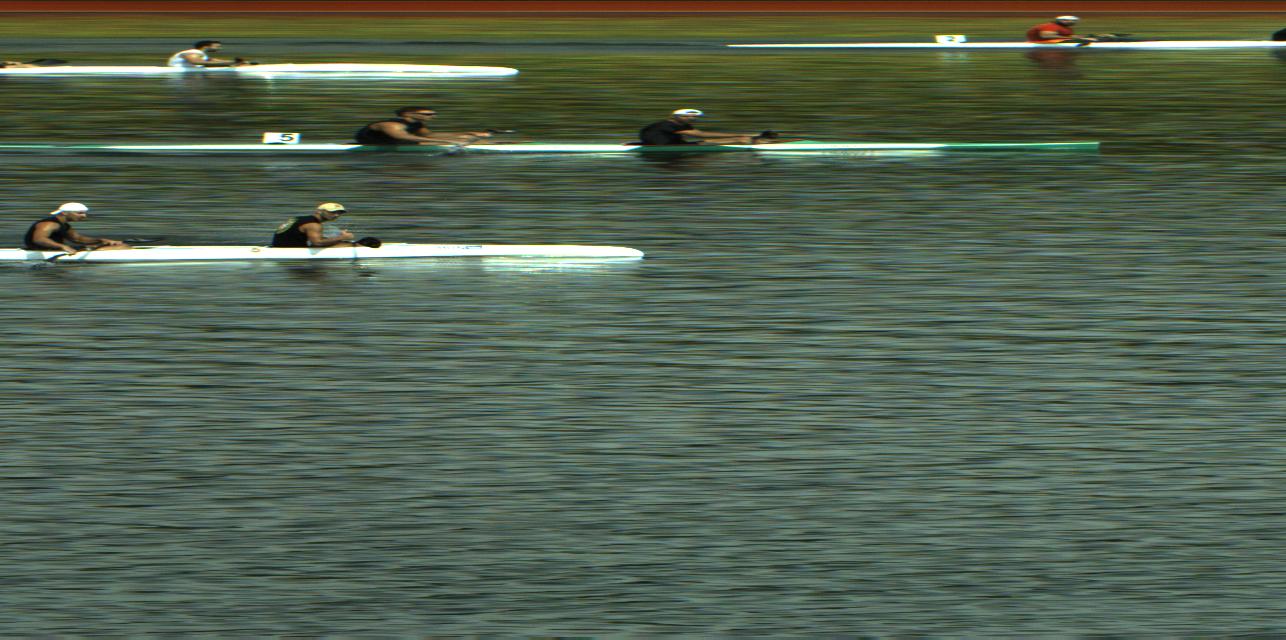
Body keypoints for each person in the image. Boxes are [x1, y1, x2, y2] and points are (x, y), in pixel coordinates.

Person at [24, 203, 131, 254]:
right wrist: (62, 246)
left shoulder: (64, 225)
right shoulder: (49, 224)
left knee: (120, 246)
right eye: (79, 213)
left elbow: (78, 239)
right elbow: (39, 239)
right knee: (124, 247)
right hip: (43, 251)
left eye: (84, 213)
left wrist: (102, 240)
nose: (84, 216)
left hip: (53, 250)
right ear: (65, 213)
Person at [354, 107, 493, 145]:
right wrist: (448, 141)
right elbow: (405, 138)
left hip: (397, 142)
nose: (432, 116)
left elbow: (428, 135)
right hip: (375, 143)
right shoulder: (391, 125)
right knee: (463, 140)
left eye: (433, 114)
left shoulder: (416, 124)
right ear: (407, 114)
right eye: (427, 114)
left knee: (466, 137)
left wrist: (470, 133)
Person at [637, 109, 780, 146]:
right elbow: (702, 135)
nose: (691, 119)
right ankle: (759, 142)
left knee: (739, 139)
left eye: (693, 117)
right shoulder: (668, 124)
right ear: (676, 116)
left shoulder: (681, 124)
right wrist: (740, 135)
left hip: (670, 145)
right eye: (687, 117)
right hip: (665, 147)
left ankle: (761, 141)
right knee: (739, 139)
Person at [270, 202, 384, 249]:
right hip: (289, 251)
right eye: (332, 212)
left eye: (339, 213)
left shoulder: (301, 219)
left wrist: (339, 239)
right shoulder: (313, 224)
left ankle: (356, 245)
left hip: (278, 247)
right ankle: (358, 246)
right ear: (319, 211)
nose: (336, 215)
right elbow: (317, 243)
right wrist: (341, 237)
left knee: (338, 243)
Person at [166, 40, 251, 68]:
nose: (219, 48)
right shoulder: (194, 52)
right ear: (206, 46)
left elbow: (215, 61)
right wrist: (230, 63)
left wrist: (239, 63)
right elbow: (196, 62)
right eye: (217, 47)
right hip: (178, 73)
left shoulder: (202, 55)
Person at [1025, 15, 1098, 44]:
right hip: (1043, 42)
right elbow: (1046, 36)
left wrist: (1082, 37)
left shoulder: (1067, 28)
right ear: (1059, 20)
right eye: (1066, 20)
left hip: (1057, 41)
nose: (1070, 22)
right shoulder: (1050, 26)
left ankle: (1099, 39)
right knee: (1088, 40)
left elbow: (1070, 36)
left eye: (1073, 21)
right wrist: (1072, 38)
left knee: (1092, 36)